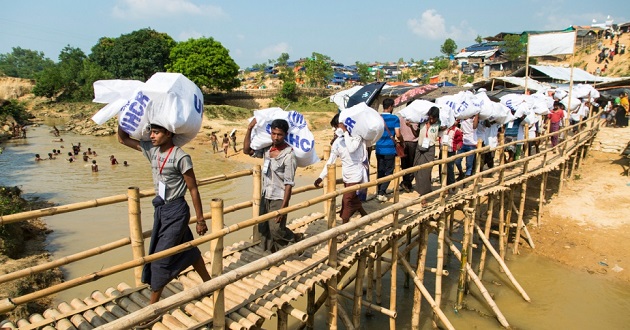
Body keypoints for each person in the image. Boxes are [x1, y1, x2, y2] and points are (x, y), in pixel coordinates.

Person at [117, 123, 211, 305]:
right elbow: (123, 139)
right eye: (151, 132)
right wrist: (123, 116)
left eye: (156, 132)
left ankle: (153, 308)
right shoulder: (152, 151)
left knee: (159, 260)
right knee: (189, 249)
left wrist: (200, 220)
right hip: (161, 211)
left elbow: (193, 189)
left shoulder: (180, 157)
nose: (152, 136)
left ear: (168, 133)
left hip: (176, 211)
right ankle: (210, 283)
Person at [243, 118, 302, 252]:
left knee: (276, 229)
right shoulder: (267, 150)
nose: (276, 137)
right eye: (274, 134)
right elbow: (247, 151)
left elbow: (288, 183)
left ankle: (294, 242)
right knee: (263, 227)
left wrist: (283, 208)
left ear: (285, 135)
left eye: (279, 134)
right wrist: (249, 129)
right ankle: (269, 253)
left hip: (279, 197)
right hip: (266, 195)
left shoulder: (289, 156)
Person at [314, 114, 368, 242]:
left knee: (346, 200)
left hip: (357, 174)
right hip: (347, 176)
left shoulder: (357, 137)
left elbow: (351, 147)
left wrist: (346, 132)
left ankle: (343, 231)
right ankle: (364, 214)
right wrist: (321, 177)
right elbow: (330, 161)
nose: (334, 130)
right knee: (352, 197)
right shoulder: (338, 142)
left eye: (336, 127)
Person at [375, 98, 403, 202]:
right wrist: (401, 140)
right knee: (389, 171)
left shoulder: (378, 117)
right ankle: (382, 191)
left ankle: (379, 191)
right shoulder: (395, 118)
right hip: (390, 149)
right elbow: (398, 134)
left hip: (379, 148)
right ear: (391, 107)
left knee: (380, 170)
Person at [411, 107, 441, 205]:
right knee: (417, 169)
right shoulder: (422, 123)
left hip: (430, 149)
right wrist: (411, 127)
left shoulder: (439, 125)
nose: (431, 120)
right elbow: (416, 134)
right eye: (430, 118)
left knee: (425, 170)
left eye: (433, 119)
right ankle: (425, 189)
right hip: (419, 148)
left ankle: (424, 195)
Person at [440, 119, 463, 193]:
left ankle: (451, 184)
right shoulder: (443, 128)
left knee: (450, 168)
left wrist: (458, 145)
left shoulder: (457, 130)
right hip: (442, 150)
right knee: (441, 167)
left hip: (450, 151)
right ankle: (444, 185)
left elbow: (460, 140)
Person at [455, 114, 479, 179]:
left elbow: (474, 126)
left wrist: (476, 115)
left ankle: (467, 178)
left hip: (471, 143)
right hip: (462, 142)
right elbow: (455, 123)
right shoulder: (461, 116)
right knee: (457, 161)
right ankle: (461, 173)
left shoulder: (474, 117)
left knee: (469, 164)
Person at [398, 114, 418, 193]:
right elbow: (416, 133)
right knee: (412, 164)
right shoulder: (415, 118)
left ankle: (407, 183)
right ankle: (406, 182)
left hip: (403, 142)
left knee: (404, 164)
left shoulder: (400, 119)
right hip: (412, 143)